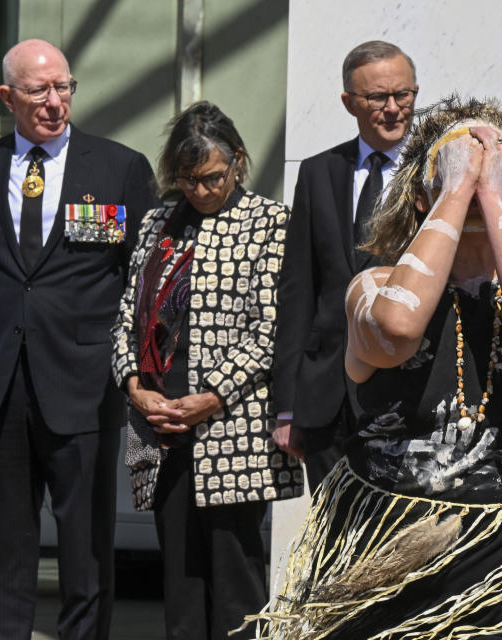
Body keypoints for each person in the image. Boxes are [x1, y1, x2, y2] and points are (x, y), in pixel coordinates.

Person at [246, 96, 502, 639]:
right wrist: (456, 191)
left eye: (492, 173)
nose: (476, 180)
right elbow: (396, 329)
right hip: (381, 556)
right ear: (418, 197)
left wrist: (496, 195)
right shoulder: (373, 287)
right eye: (459, 170)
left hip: (501, 570)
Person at [0, 39, 159, 639]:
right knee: (1, 547)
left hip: (84, 383)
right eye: (38, 90)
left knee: (85, 546)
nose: (54, 102)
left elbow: (140, 279)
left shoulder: (119, 168)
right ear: (7, 97)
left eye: (63, 87)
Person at [111, 101, 303, 639]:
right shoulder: (157, 223)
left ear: (238, 161)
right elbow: (127, 314)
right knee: (180, 580)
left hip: (230, 428)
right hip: (161, 423)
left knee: (234, 578)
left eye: (213, 177)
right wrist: (134, 386)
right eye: (188, 179)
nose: (200, 190)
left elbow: (270, 328)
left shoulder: (269, 222)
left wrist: (213, 396)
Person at [272, 40, 418, 488]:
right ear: (349, 103)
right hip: (327, 397)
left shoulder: (436, 171)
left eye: (404, 95)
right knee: (334, 537)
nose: (393, 108)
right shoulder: (319, 172)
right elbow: (298, 289)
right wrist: (287, 406)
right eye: (377, 98)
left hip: (411, 393)